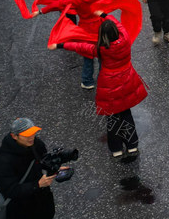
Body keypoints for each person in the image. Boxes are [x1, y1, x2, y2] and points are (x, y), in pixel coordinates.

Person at [52, 16, 147, 158]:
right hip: (127, 81)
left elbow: (80, 46)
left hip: (110, 87)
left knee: (112, 118)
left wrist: (60, 45)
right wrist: (104, 14)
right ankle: (132, 145)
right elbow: (120, 25)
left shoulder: (101, 49)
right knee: (126, 114)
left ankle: (116, 149)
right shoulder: (126, 39)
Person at [68, 0, 103, 90]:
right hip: (98, 27)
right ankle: (102, 79)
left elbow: (67, 2)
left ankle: (87, 81)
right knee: (101, 55)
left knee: (88, 56)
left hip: (85, 29)